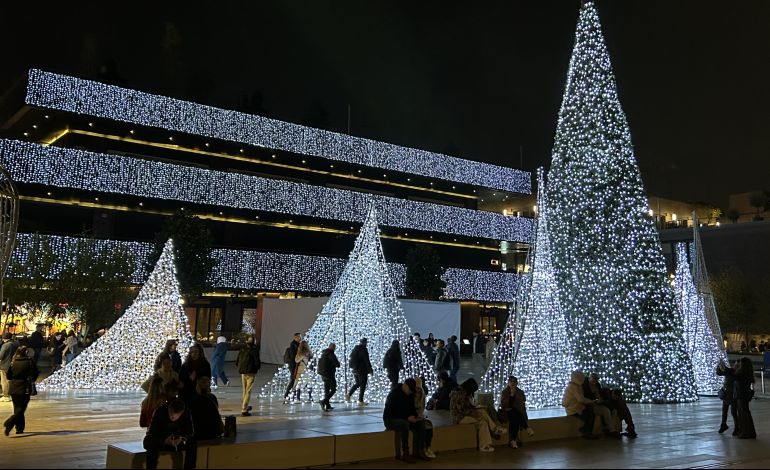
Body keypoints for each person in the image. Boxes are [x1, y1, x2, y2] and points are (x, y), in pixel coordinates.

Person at [449, 378, 504, 452]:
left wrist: (475, 409)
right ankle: (494, 430)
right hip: (459, 417)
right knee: (481, 417)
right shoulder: (459, 394)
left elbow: (467, 407)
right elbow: (460, 410)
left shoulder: (463, 392)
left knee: (483, 418)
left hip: (465, 415)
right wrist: (473, 412)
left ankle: (485, 444)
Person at [143, 399, 197, 470]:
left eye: (175, 416)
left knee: (192, 443)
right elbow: (152, 433)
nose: (172, 416)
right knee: (150, 444)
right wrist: (164, 441)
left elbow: (190, 432)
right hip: (162, 440)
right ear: (169, 408)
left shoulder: (186, 412)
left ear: (181, 413)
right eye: (171, 413)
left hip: (177, 440)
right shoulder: (160, 411)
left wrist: (182, 438)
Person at [383, 378, 428, 463]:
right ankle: (405, 453)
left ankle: (420, 450)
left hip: (405, 418)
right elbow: (391, 412)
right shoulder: (394, 394)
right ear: (405, 386)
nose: (410, 392)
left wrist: (416, 416)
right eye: (410, 390)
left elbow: (411, 408)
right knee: (404, 424)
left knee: (421, 424)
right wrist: (407, 418)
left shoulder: (410, 394)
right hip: (390, 419)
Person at [3, 346, 38, 436]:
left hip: (14, 387)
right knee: (21, 409)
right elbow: (35, 373)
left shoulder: (13, 362)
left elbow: (8, 376)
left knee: (17, 408)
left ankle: (19, 428)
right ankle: (10, 423)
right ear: (26, 352)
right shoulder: (30, 362)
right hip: (25, 387)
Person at [499, 376, 535, 449]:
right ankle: (527, 428)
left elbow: (521, 403)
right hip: (506, 413)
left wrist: (514, 398)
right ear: (508, 383)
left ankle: (513, 440)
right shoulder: (505, 392)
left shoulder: (520, 392)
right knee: (514, 414)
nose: (513, 383)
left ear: (517, 383)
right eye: (511, 381)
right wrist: (511, 395)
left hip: (517, 413)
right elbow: (504, 404)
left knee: (514, 418)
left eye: (514, 382)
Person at [582, 373, 621, 438]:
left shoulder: (597, 385)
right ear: (590, 378)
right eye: (594, 378)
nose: (596, 380)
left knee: (610, 410)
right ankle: (611, 430)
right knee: (605, 410)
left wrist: (600, 399)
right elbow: (584, 397)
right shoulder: (584, 385)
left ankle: (612, 429)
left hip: (596, 403)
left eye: (597, 379)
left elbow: (599, 395)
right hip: (588, 405)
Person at [562, 370, 598, 439]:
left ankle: (586, 430)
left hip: (575, 407)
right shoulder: (574, 387)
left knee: (590, 411)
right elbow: (581, 399)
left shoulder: (576, 385)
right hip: (573, 409)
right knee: (590, 413)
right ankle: (587, 431)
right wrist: (591, 401)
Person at [236, 336, 261, 416]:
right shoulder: (254, 350)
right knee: (248, 391)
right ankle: (244, 409)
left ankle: (245, 406)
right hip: (251, 372)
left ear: (246, 341)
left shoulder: (242, 350)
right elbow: (257, 362)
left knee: (244, 390)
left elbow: (237, 361)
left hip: (243, 372)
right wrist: (257, 368)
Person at [733, 357, 756, 439]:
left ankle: (745, 432)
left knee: (743, 414)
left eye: (740, 363)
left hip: (741, 395)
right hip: (745, 395)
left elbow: (733, 376)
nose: (738, 364)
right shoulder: (747, 373)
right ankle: (749, 432)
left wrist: (735, 367)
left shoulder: (741, 373)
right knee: (745, 413)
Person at [414, 377, 436, 459]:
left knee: (429, 425)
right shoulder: (411, 396)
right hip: (412, 417)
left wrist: (421, 415)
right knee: (422, 427)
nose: (418, 390)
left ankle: (428, 447)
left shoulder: (422, 395)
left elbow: (421, 408)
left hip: (419, 416)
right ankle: (421, 449)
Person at [346, 338, 373, 405]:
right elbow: (366, 360)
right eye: (366, 342)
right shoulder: (363, 349)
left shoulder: (355, 349)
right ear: (364, 343)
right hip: (362, 370)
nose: (367, 344)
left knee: (358, 383)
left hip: (355, 369)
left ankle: (349, 394)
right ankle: (360, 401)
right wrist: (370, 370)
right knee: (363, 385)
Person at [716, 360, 738, 434]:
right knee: (725, 411)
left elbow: (721, 372)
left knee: (733, 411)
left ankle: (736, 427)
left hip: (732, 394)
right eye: (735, 364)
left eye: (736, 365)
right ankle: (724, 424)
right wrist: (720, 366)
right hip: (727, 394)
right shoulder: (731, 371)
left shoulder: (734, 372)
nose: (735, 366)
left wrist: (721, 367)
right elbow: (720, 372)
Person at [317, 342, 340, 412]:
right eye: (335, 347)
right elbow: (337, 364)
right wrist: (338, 363)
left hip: (323, 374)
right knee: (333, 389)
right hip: (329, 374)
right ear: (333, 347)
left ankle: (327, 405)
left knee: (326, 390)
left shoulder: (323, 353)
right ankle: (323, 401)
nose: (335, 349)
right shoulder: (330, 354)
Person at [0, 332, 19, 402]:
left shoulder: (5, 345)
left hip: (5, 365)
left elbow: (1, 356)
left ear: (4, 338)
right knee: (10, 381)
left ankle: (5, 396)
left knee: (4, 381)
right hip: (14, 364)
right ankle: (10, 394)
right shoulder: (16, 344)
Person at [283, 333, 301, 404]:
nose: (300, 338)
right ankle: (287, 394)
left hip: (295, 365)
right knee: (293, 380)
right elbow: (294, 356)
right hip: (293, 365)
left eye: (300, 337)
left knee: (296, 380)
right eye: (299, 337)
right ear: (295, 338)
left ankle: (295, 395)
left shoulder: (297, 345)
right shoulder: (293, 345)